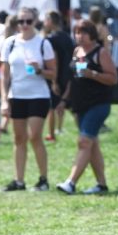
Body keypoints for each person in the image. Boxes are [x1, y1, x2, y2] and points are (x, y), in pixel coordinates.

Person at [56, 19, 117, 195]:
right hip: (79, 104)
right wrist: (63, 100)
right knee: (92, 144)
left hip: (98, 104)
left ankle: (71, 182)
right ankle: (101, 185)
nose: (79, 36)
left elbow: (113, 78)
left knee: (84, 142)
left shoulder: (101, 52)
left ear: (92, 34)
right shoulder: (77, 51)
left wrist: (93, 74)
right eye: (77, 32)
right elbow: (73, 80)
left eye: (83, 32)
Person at [0, 7, 57, 191]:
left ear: (35, 22)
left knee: (35, 137)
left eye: (28, 21)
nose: (24, 25)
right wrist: (4, 99)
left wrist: (39, 69)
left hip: (38, 96)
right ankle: (19, 180)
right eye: (21, 21)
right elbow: (5, 75)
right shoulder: (10, 43)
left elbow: (53, 74)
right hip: (17, 95)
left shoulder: (43, 43)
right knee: (18, 138)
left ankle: (43, 179)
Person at [43, 10, 75, 142]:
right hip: (67, 73)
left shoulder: (51, 40)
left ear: (50, 21)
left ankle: (51, 134)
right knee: (62, 102)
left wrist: (53, 81)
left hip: (56, 74)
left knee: (52, 106)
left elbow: (54, 60)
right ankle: (59, 128)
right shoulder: (68, 37)